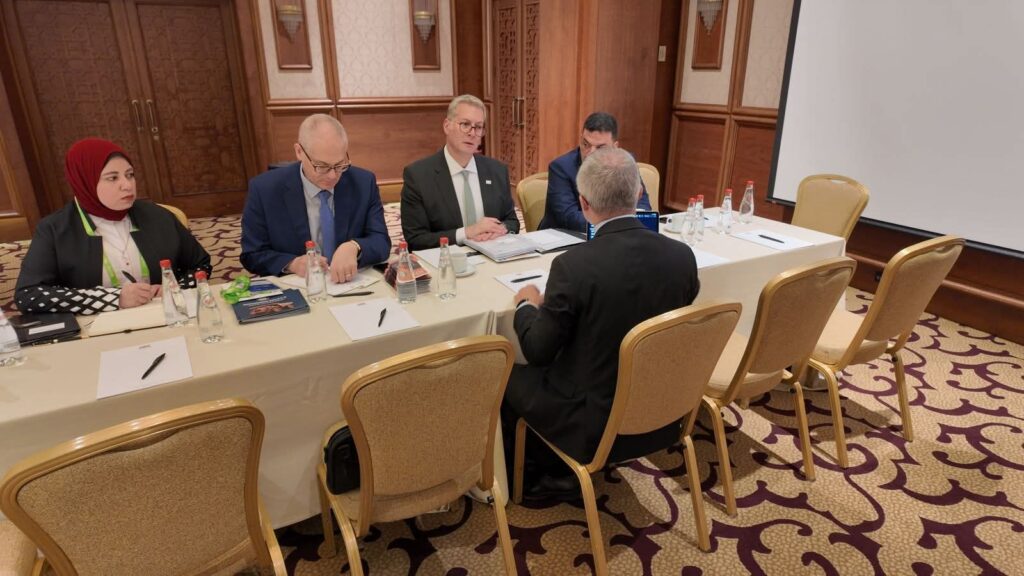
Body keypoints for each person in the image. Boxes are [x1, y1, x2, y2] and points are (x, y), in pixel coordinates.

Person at [503, 148, 699, 499]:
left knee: (503, 375)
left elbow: (537, 351)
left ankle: (545, 477)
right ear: (639, 193)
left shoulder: (574, 266)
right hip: (663, 408)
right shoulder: (682, 256)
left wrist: (525, 307)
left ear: (583, 203)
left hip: (593, 421)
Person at [15, 138, 211, 314]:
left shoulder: (157, 215)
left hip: (164, 316)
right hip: (96, 329)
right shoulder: (54, 229)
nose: (127, 185)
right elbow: (28, 295)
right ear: (85, 181)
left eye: (130, 175)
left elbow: (201, 265)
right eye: (113, 178)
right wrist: (113, 299)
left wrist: (173, 288)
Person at [241, 114, 390, 281]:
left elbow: (381, 241)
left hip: (351, 283)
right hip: (298, 285)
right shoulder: (264, 190)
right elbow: (252, 254)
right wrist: (292, 263)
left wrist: (355, 246)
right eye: (322, 166)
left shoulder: (363, 183)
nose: (333, 175)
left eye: (339, 165)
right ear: (299, 152)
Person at [400, 94, 519, 252]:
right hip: (447, 258)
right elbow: (416, 239)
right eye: (465, 124)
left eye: (478, 127)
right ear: (446, 126)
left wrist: (500, 229)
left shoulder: (497, 170)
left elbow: (512, 221)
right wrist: (466, 233)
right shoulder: (418, 176)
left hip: (493, 254)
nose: (472, 133)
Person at [538, 112, 652, 232]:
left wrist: (617, 224)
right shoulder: (561, 168)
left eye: (600, 148)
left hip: (611, 234)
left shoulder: (624, 162)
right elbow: (569, 218)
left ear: (615, 147)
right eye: (585, 144)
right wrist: (616, 223)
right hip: (567, 236)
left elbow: (642, 204)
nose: (590, 153)